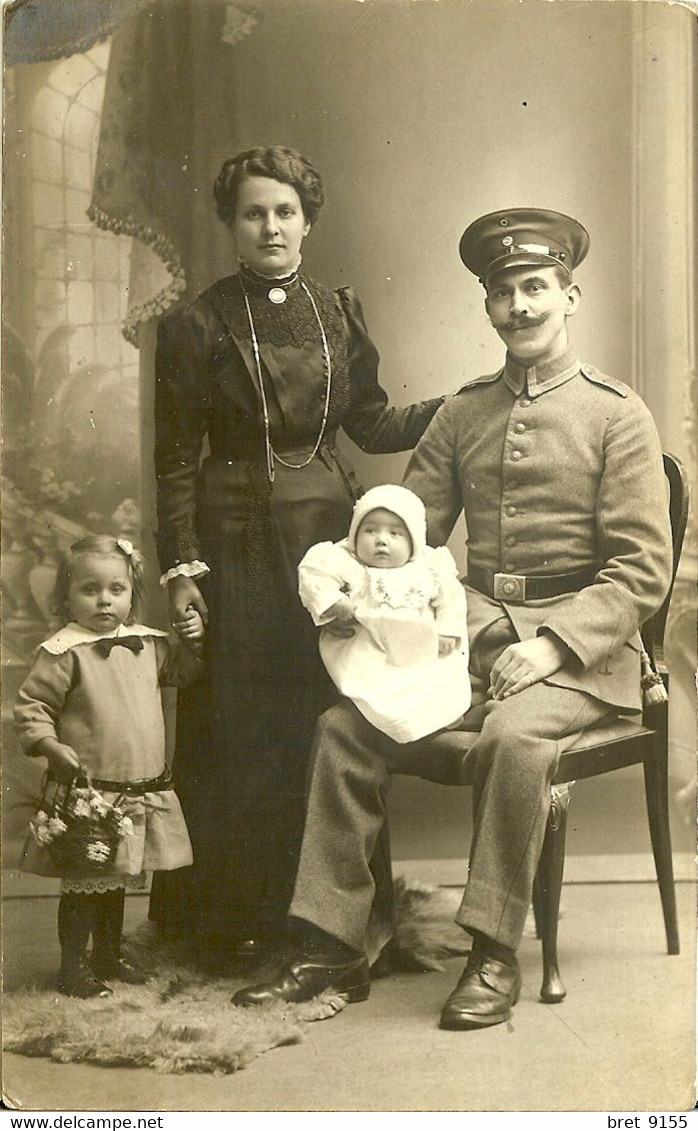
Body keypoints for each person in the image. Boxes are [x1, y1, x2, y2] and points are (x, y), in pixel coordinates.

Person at [232, 208, 673, 1028]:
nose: (521, 306)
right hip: (472, 638)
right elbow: (405, 538)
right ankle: (331, 942)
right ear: (488, 308)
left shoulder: (619, 414)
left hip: (589, 656)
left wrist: (550, 644)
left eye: (536, 287)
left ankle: (493, 949)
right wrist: (358, 592)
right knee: (343, 727)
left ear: (570, 295)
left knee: (512, 736)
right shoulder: (462, 413)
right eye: (503, 292)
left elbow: (641, 570)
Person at [148, 146, 446, 964]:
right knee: (245, 722)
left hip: (326, 536)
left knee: (329, 712)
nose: (270, 226)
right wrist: (182, 571)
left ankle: (333, 914)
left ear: (307, 219)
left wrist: (462, 404)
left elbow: (375, 424)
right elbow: (175, 459)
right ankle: (233, 920)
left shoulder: (336, 313)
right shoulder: (197, 322)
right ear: (232, 225)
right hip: (235, 537)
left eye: (284, 211)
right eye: (253, 213)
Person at [13, 535, 204, 998]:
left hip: (136, 789)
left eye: (116, 590)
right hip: (90, 794)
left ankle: (108, 954)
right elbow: (32, 707)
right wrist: (50, 745)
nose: (104, 600)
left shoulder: (148, 644)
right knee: (85, 881)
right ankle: (74, 965)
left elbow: (187, 673)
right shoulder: (64, 652)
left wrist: (192, 641)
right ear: (66, 598)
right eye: (90, 590)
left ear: (131, 596)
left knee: (115, 879)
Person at [298, 483, 471, 743]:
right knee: (375, 689)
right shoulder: (343, 559)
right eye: (369, 530)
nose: (381, 540)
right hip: (368, 647)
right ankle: (385, 722)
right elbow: (313, 575)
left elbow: (452, 598)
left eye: (395, 533)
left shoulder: (430, 564)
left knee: (435, 683)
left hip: (420, 647)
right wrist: (333, 602)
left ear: (414, 540)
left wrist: (447, 628)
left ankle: (431, 719)